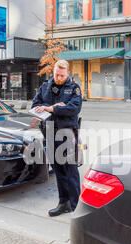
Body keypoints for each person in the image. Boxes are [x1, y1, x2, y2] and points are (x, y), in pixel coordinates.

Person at [32, 60, 83, 217]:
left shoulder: (74, 88)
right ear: (52, 72)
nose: (59, 78)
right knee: (59, 171)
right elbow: (35, 104)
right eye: (56, 74)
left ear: (67, 73)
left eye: (62, 75)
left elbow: (74, 108)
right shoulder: (45, 86)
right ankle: (63, 203)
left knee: (71, 170)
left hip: (67, 133)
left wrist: (53, 108)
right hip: (50, 131)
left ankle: (76, 206)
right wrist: (50, 107)